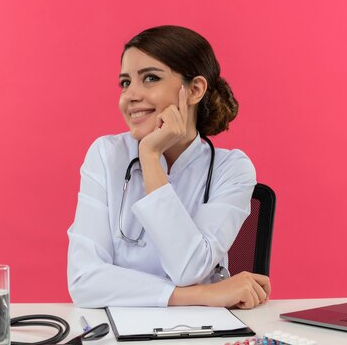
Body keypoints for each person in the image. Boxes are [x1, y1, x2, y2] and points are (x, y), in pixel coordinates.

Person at [67, 25, 270, 309]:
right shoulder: (106, 155)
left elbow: (188, 269)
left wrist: (150, 156)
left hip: (204, 336)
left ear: (194, 90)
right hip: (121, 336)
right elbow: (84, 281)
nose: (130, 95)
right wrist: (200, 295)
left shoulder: (231, 169)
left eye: (150, 78)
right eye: (125, 82)